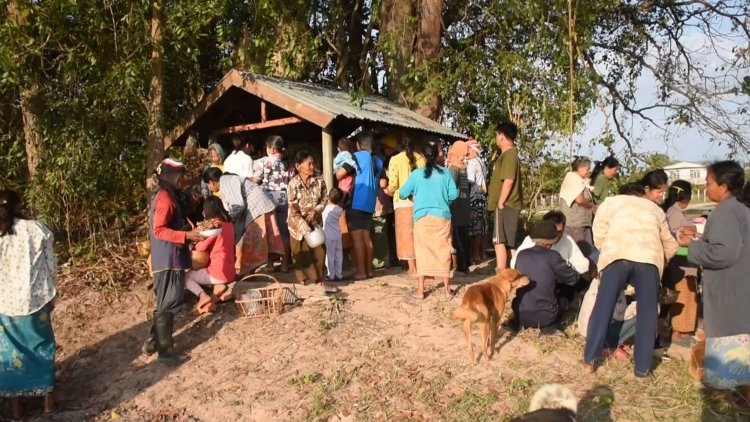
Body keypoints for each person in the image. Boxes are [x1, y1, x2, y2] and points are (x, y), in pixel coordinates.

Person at [583, 173, 679, 378]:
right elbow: (670, 244)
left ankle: (589, 361)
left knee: (603, 308)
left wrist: (606, 250)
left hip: (617, 255)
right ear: (645, 192)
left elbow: (598, 231)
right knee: (647, 314)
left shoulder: (611, 202)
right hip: (648, 259)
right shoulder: (655, 209)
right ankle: (642, 370)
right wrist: (662, 262)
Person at [677, 161, 750, 399]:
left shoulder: (725, 211)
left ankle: (728, 390)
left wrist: (692, 246)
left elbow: (725, 253)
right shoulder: (740, 209)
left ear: (724, 185)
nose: (706, 188)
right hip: (740, 282)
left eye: (709, 183)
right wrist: (700, 237)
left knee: (727, 334)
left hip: (728, 286)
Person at [0, 190, 57, 418]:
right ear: (19, 204)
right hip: (36, 301)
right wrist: (53, 292)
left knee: (12, 354)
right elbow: (50, 264)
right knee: (42, 348)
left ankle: (16, 410)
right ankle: (48, 404)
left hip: (5, 305)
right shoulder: (36, 229)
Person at [143, 159, 205, 364]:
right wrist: (186, 237)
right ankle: (165, 352)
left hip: (171, 257)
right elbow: (159, 230)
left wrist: (188, 231)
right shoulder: (164, 199)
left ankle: (153, 343)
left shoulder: (168, 196)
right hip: (167, 258)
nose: (183, 181)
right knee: (169, 303)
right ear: (173, 177)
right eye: (182, 177)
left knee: (166, 302)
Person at [399, 140, 458, 299]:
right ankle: (447, 290)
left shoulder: (417, 174)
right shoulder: (445, 173)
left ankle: (420, 290)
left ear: (423, 156)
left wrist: (415, 195)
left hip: (422, 218)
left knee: (422, 252)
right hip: (442, 218)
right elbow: (454, 194)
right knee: (443, 250)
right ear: (437, 154)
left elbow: (402, 193)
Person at [203, 167, 283, 276]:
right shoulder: (228, 180)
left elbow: (238, 206)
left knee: (251, 242)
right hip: (262, 205)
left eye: (208, 185)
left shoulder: (226, 182)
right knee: (261, 240)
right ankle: (258, 269)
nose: (209, 188)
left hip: (258, 207)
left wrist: (230, 219)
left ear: (212, 182)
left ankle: (246, 272)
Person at [512, 220, 580, 331]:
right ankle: (552, 325)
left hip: (520, 313)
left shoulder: (521, 254)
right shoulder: (553, 256)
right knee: (567, 293)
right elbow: (573, 279)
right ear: (550, 243)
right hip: (546, 317)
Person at [336, 131, 384, 280]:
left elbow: (339, 174)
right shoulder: (378, 160)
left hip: (356, 202)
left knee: (357, 239)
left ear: (358, 145)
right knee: (366, 237)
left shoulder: (356, 157)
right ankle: (369, 271)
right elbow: (383, 182)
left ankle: (361, 272)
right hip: (370, 203)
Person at [661, 180, 699, 343]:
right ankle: (679, 330)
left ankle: (680, 329)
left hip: (680, 259)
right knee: (685, 295)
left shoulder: (671, 211)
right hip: (682, 260)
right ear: (685, 197)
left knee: (684, 294)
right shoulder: (675, 213)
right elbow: (680, 238)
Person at [184, 197, 236, 314]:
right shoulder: (229, 224)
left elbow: (200, 248)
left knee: (185, 277)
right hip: (231, 271)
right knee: (204, 270)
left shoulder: (214, 225)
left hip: (218, 272)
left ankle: (202, 296)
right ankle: (217, 290)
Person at [385, 135, 425, 279]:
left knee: (406, 237)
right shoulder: (420, 159)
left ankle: (412, 269)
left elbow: (393, 184)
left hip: (402, 203)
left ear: (399, 146)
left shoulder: (395, 160)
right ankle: (422, 268)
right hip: (419, 201)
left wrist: (387, 191)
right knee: (419, 235)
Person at [287, 149, 328, 285]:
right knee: (299, 250)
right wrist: (303, 225)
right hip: (297, 222)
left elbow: (324, 199)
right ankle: (303, 279)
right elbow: (293, 208)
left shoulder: (319, 180)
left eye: (313, 164)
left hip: (315, 220)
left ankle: (319, 278)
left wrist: (316, 211)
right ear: (298, 167)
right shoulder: (293, 184)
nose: (312, 167)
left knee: (319, 249)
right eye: (309, 164)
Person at [487, 122, 523, 272]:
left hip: (505, 205)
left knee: (499, 241)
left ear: (501, 136)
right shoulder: (510, 155)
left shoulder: (509, 155)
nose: (496, 138)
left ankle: (501, 273)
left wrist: (500, 202)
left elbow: (508, 180)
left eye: (496, 135)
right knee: (509, 243)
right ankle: (514, 272)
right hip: (510, 205)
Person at [252, 135, 292, 272]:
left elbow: (255, 181)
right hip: (284, 200)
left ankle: (270, 265)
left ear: (271, 148)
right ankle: (285, 265)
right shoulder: (289, 164)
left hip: (268, 202)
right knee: (284, 234)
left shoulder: (263, 162)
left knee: (270, 233)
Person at [511, 210, 589, 275]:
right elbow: (514, 264)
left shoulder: (567, 239)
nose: (557, 235)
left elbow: (583, 264)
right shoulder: (531, 240)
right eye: (553, 231)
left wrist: (566, 269)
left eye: (560, 232)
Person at [559, 156, 596, 259]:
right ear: (580, 168)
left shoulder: (579, 180)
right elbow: (579, 199)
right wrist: (592, 205)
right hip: (575, 224)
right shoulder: (573, 179)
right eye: (587, 169)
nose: (588, 171)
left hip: (581, 224)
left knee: (586, 253)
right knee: (577, 254)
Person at [447, 140, 471, 276]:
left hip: (456, 209)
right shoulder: (463, 168)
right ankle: (465, 265)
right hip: (464, 208)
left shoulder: (454, 169)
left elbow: (450, 190)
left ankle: (461, 267)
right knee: (463, 237)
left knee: (457, 239)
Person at [466, 138, 488, 263]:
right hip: (482, 197)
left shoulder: (473, 162)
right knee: (482, 227)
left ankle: (475, 255)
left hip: (473, 198)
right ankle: (481, 253)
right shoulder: (481, 161)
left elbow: (470, 180)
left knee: (475, 229)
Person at [322, 188, 345, 281]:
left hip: (328, 235)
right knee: (339, 254)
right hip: (338, 234)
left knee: (330, 255)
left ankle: (331, 274)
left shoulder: (326, 209)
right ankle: (339, 274)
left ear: (329, 197)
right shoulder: (340, 209)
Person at [333, 137, 357, 203]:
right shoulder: (350, 156)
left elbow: (337, 172)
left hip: (342, 180)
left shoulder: (337, 157)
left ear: (338, 149)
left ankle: (341, 204)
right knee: (345, 192)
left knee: (342, 193)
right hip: (348, 178)